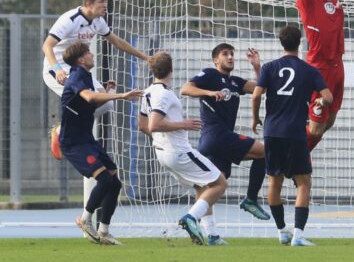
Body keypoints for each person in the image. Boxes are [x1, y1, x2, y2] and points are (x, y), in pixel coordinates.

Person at [251, 26, 333, 246]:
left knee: (274, 182)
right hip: (295, 133)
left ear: (280, 42)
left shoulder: (269, 68)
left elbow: (256, 95)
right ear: (301, 42)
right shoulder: (309, 70)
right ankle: (298, 235)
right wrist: (319, 101)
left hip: (272, 132)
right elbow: (329, 97)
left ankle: (281, 231)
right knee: (304, 182)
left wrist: (255, 118)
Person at [139, 51, 228, 246]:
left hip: (163, 153)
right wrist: (184, 124)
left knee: (202, 186)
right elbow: (154, 125)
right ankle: (190, 218)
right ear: (171, 70)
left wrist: (161, 141)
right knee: (220, 182)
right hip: (177, 151)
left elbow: (142, 126)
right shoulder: (163, 94)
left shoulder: (147, 92)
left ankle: (212, 235)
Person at [59, 41, 143, 245]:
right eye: (88, 52)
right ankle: (85, 220)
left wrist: (106, 90)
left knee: (114, 183)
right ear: (81, 59)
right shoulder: (78, 75)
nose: (91, 54)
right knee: (105, 180)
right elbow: (88, 97)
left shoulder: (85, 76)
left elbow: (93, 101)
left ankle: (104, 231)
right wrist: (122, 95)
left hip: (87, 140)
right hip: (74, 143)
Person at [180, 43, 271, 221]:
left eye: (232, 54)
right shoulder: (210, 74)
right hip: (216, 135)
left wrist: (257, 66)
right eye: (225, 54)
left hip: (215, 143)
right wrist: (209, 92)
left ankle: (197, 223)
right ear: (216, 60)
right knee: (264, 152)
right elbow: (185, 89)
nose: (230, 57)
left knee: (216, 185)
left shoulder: (236, 82)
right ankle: (251, 199)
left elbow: (261, 89)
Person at [42, 0, 149, 117]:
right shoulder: (69, 20)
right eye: (101, 1)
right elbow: (47, 45)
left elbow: (117, 42)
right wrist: (57, 69)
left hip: (79, 69)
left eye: (106, 1)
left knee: (106, 102)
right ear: (89, 3)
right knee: (87, 101)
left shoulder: (98, 21)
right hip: (57, 69)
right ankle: (62, 132)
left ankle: (67, 131)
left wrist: (145, 57)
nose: (105, 5)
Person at [294, 0, 345, 151]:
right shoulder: (306, 4)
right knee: (315, 128)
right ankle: (295, 156)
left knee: (328, 123)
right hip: (320, 69)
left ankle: (300, 154)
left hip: (338, 66)